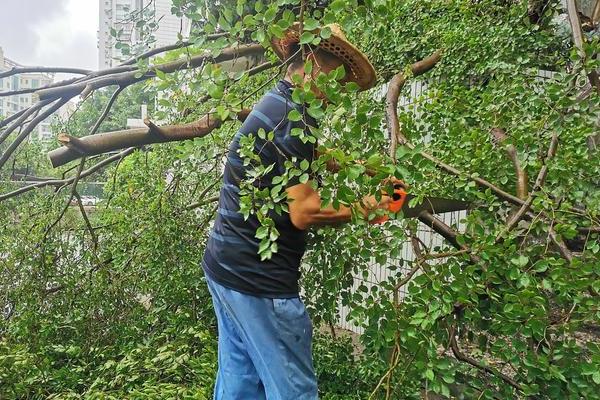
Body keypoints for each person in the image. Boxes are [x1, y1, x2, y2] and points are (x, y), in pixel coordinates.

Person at [201, 24, 391, 399]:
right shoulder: (295, 118)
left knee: (240, 382)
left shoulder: (277, 104)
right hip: (259, 282)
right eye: (335, 79)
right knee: (294, 391)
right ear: (309, 61)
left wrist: (369, 168)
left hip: (224, 265)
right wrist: (371, 206)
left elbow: (293, 159)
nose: (337, 93)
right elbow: (305, 213)